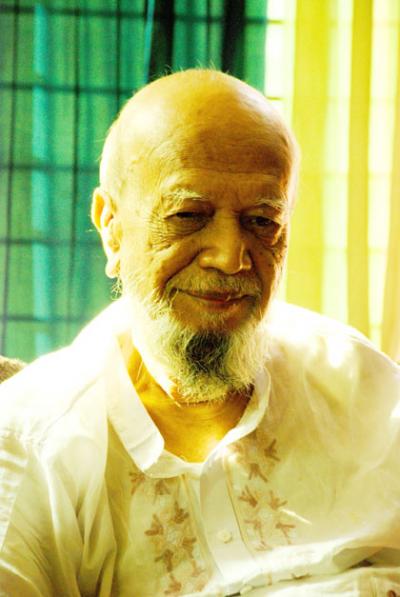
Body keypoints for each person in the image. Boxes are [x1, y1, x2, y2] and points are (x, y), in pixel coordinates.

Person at [0, 69, 399, 597]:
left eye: (262, 221)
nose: (231, 257)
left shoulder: (358, 382)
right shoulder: (30, 442)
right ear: (111, 227)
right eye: (189, 215)